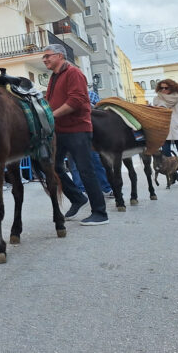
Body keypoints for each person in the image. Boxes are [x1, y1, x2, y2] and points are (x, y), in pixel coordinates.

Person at [43, 44, 108, 225]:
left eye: (48, 56)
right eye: (44, 57)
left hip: (78, 130)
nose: (45, 59)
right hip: (60, 131)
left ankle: (100, 213)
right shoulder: (55, 76)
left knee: (86, 170)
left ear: (60, 56)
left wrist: (51, 116)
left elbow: (77, 100)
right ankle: (78, 198)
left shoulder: (74, 73)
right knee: (55, 167)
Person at [152, 79, 178, 186]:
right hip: (164, 129)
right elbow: (154, 114)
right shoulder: (157, 99)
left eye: (166, 87)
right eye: (161, 88)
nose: (164, 90)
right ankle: (173, 175)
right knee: (165, 154)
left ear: (172, 87)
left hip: (177, 127)